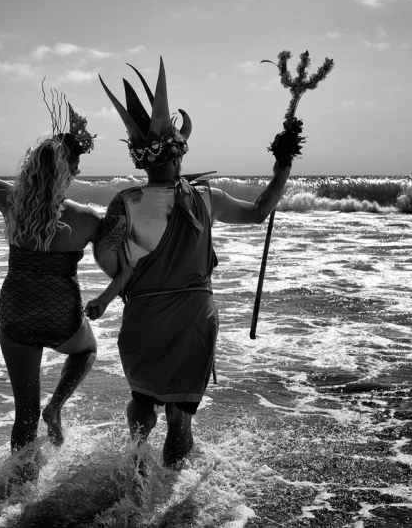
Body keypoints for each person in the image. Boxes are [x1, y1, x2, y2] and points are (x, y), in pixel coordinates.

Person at [95, 58, 300, 467]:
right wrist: (282, 169)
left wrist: (126, 280)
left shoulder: (126, 203)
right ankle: (168, 494)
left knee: (142, 402)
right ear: (178, 155)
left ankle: (135, 477)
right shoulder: (207, 196)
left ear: (144, 161)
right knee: (179, 418)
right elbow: (260, 211)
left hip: (144, 318)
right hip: (193, 318)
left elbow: (104, 253)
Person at [0, 96, 100, 458]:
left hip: (17, 311)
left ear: (32, 167)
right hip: (61, 313)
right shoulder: (87, 218)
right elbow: (118, 256)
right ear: (69, 172)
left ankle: (16, 494)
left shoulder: (11, 201)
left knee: (23, 414)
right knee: (87, 349)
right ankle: (56, 406)